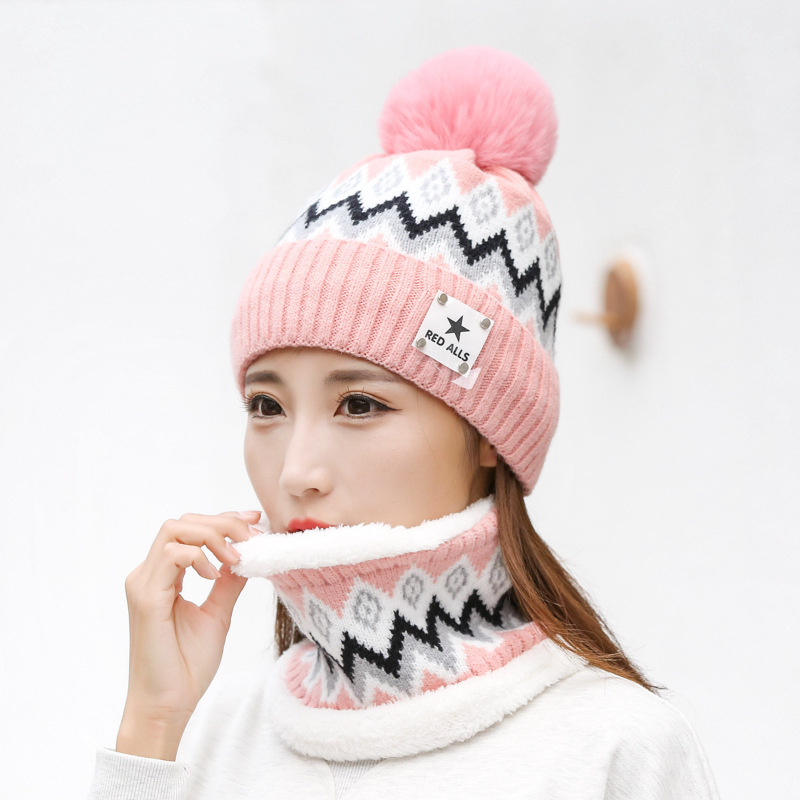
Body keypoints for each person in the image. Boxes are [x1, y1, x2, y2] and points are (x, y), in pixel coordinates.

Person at [89, 47, 720, 798]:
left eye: (359, 405)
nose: (297, 471)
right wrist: (152, 724)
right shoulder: (213, 726)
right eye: (267, 406)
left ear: (490, 435)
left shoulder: (614, 747)